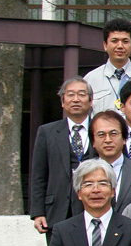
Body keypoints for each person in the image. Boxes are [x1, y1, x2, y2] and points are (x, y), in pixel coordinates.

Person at [31, 77, 93, 235]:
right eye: (70, 94)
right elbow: (39, 174)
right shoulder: (47, 132)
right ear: (62, 101)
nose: (76, 99)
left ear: (91, 100)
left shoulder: (101, 129)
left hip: (93, 206)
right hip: (57, 209)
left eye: (82, 94)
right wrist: (38, 212)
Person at [84, 18, 131, 115]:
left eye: (125, 41)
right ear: (105, 45)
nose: (120, 46)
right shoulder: (91, 79)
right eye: (114, 41)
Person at [88, 110, 131, 212]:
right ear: (93, 142)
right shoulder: (85, 173)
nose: (108, 140)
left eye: (113, 133)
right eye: (101, 134)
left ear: (124, 139)